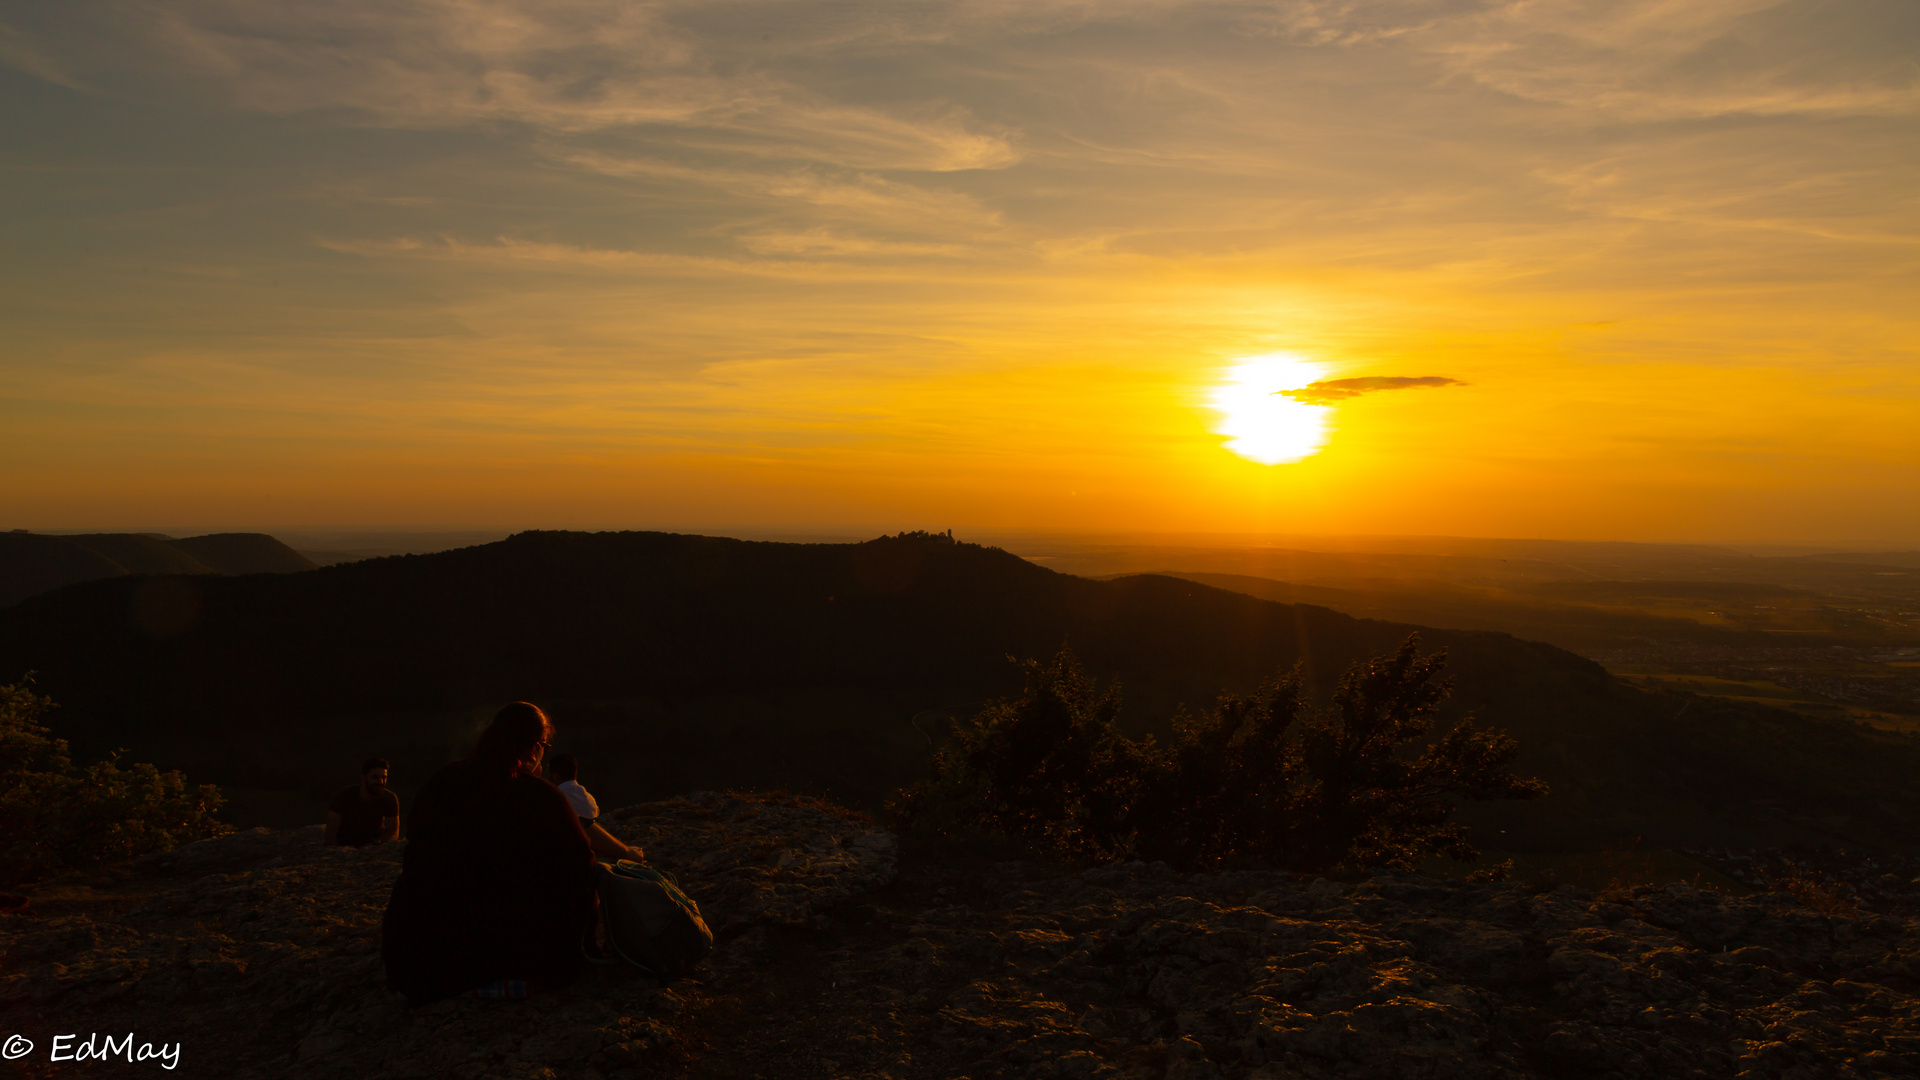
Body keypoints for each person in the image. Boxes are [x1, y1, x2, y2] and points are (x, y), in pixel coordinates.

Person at [381, 702, 597, 1006]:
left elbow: (417, 857)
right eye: (545, 745)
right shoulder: (541, 797)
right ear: (534, 749)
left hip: (416, 955)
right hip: (495, 951)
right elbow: (582, 870)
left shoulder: (442, 781)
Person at [545, 753, 645, 863]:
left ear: (554, 776)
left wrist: (625, 852)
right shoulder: (590, 799)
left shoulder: (554, 798)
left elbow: (582, 826)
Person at [325, 757, 400, 846]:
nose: (380, 781)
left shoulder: (389, 798)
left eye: (384, 777)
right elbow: (330, 832)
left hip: (373, 846)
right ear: (363, 778)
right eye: (375, 777)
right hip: (344, 845)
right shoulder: (343, 797)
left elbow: (393, 832)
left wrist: (375, 844)